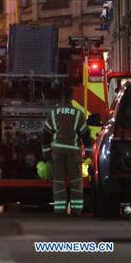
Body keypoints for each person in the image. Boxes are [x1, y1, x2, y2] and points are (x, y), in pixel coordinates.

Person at [43, 86, 92, 215]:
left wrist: (46, 152)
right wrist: (88, 152)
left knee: (58, 180)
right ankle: (76, 209)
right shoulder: (78, 114)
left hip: (57, 151)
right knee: (76, 180)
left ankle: (59, 209)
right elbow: (85, 134)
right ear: (72, 98)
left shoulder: (53, 113)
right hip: (73, 151)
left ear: (62, 97)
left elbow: (46, 133)